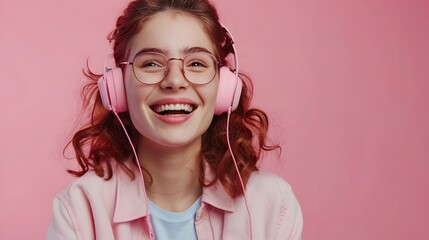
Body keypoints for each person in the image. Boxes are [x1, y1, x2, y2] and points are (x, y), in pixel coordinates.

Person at [46, 0, 303, 239]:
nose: (175, 81)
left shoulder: (271, 205)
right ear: (118, 87)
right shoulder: (79, 210)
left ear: (225, 88)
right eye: (151, 64)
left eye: (197, 63)